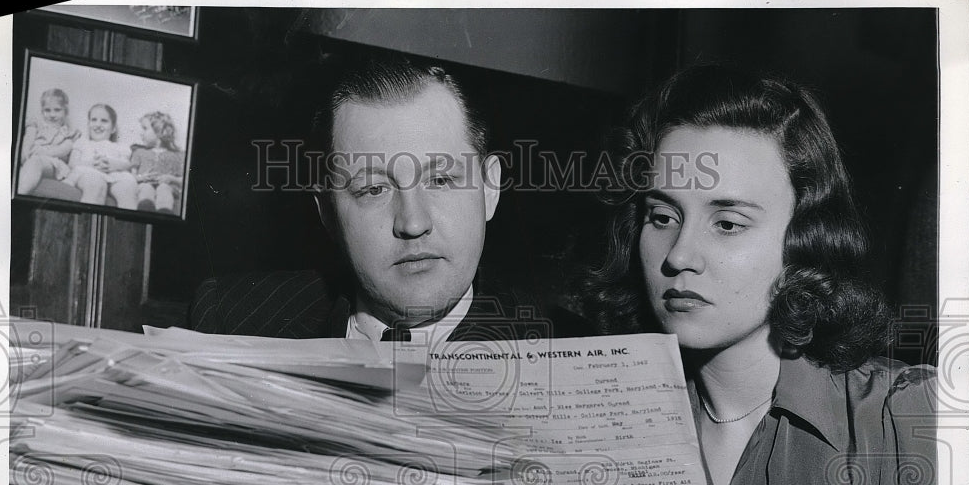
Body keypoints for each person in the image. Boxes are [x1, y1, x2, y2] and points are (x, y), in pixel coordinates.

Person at [588, 63, 936, 485]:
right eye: (662, 215)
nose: (679, 254)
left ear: (801, 239)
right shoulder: (611, 428)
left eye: (728, 223)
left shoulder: (906, 415)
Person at [191, 54, 590, 342]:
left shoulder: (575, 353)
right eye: (373, 189)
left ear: (489, 189)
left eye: (439, 180)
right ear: (328, 212)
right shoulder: (228, 320)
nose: (413, 223)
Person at [63, 103, 138, 209]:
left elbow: (126, 164)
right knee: (96, 184)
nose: (98, 124)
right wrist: (92, 163)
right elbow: (72, 164)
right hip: (89, 172)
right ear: (88, 124)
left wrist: (113, 164)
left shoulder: (119, 147)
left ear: (113, 129)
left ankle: (129, 220)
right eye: (94, 120)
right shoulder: (82, 143)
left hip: (115, 175)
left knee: (127, 186)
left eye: (104, 121)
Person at [16, 88, 79, 195]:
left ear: (65, 111)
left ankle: (19, 195)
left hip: (52, 162)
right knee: (30, 162)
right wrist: (25, 154)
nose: (52, 114)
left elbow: (63, 150)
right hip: (31, 157)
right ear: (42, 111)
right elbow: (28, 140)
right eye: (47, 110)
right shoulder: (35, 124)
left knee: (36, 162)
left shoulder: (68, 132)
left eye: (57, 110)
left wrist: (42, 153)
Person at [131, 111, 185, 214]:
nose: (141, 133)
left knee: (164, 189)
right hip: (144, 184)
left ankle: (164, 212)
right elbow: (132, 176)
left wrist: (171, 178)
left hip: (168, 186)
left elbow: (184, 179)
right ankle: (145, 208)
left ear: (159, 132)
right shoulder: (139, 152)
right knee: (146, 188)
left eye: (145, 128)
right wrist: (141, 177)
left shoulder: (176, 155)